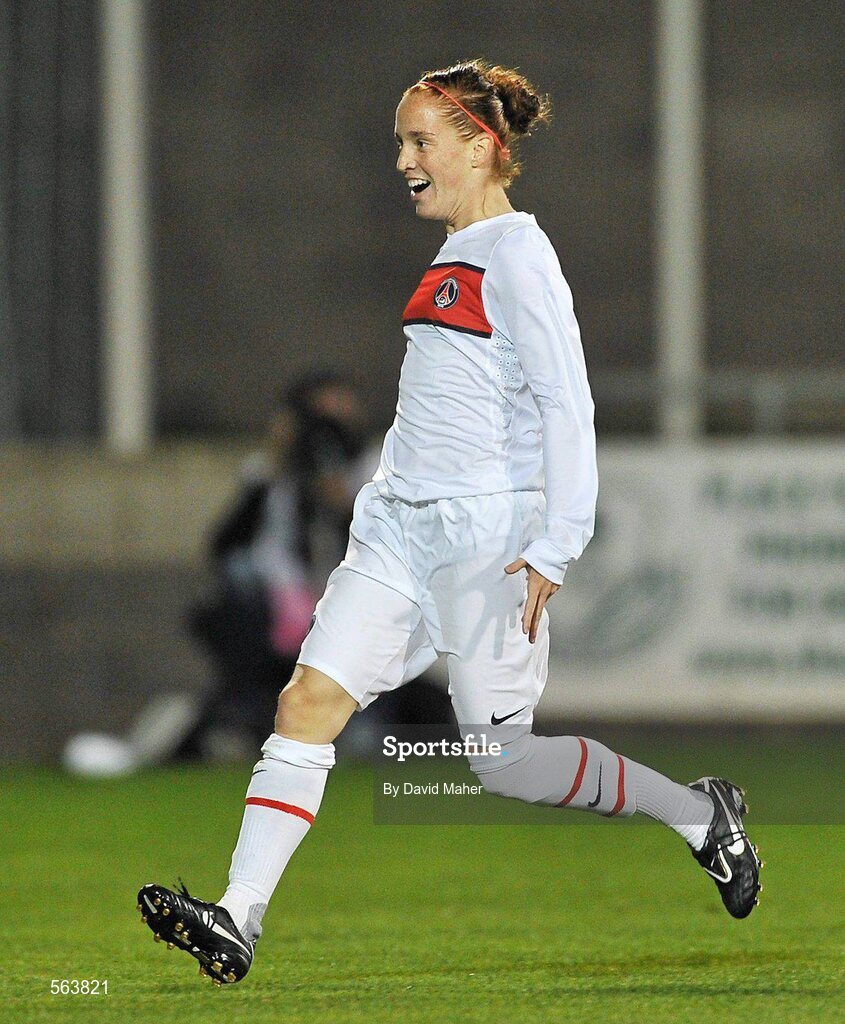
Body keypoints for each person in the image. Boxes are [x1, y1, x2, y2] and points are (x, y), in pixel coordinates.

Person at [137, 59, 762, 986]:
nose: (402, 160)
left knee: (505, 766)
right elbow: (452, 404)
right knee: (304, 705)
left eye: (420, 140)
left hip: (488, 544)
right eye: (402, 140)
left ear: (481, 144)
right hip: (397, 533)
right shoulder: (457, 253)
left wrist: (558, 541)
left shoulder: (518, 255)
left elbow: (567, 406)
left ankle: (699, 816)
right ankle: (238, 918)